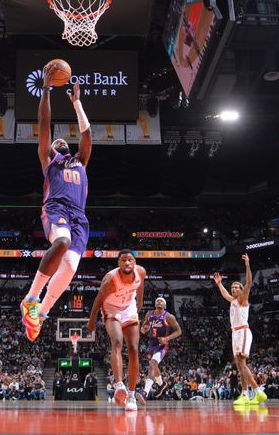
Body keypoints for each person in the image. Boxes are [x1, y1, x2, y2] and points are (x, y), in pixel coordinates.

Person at [22, 64, 92, 342]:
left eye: (65, 140)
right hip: (57, 208)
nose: (60, 140)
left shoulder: (80, 161)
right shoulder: (48, 160)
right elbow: (44, 124)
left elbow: (87, 137)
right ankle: (31, 298)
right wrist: (47, 90)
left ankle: (40, 313)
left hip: (80, 217)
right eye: (56, 141)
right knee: (61, 242)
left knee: (72, 266)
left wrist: (77, 103)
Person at [87, 250, 146, 411]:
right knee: (117, 342)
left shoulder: (141, 272)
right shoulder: (111, 279)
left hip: (129, 307)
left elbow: (140, 287)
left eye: (130, 260)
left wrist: (139, 303)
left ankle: (132, 395)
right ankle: (119, 384)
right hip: (111, 308)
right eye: (123, 260)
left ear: (134, 262)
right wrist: (92, 319)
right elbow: (99, 298)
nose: (127, 263)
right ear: (118, 263)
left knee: (134, 349)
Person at [213, 254, 267, 405]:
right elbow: (225, 294)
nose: (234, 289)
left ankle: (251, 393)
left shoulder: (243, 298)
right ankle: (251, 393)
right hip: (235, 333)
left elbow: (249, 281)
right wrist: (219, 284)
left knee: (241, 364)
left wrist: (248, 265)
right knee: (239, 364)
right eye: (233, 287)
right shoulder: (233, 300)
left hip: (242, 331)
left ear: (241, 290)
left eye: (236, 287)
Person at [140, 297, 181, 397]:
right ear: (155, 304)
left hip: (162, 344)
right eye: (157, 300)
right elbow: (143, 328)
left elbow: (179, 331)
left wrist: (167, 338)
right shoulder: (149, 314)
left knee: (152, 364)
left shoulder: (168, 317)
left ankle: (144, 393)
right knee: (154, 365)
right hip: (151, 344)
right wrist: (143, 329)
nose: (159, 301)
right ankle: (162, 384)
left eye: (161, 300)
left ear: (165, 305)